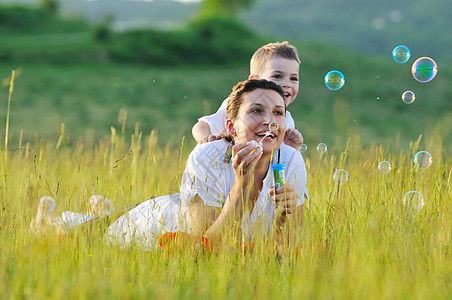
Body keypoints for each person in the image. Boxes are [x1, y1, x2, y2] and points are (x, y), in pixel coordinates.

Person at [32, 79, 308, 251]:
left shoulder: (291, 160)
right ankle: (51, 221)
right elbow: (205, 246)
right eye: (256, 110)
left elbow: (286, 251)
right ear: (231, 127)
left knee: (106, 220)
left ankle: (99, 210)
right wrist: (241, 187)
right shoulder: (207, 158)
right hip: (159, 229)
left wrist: (288, 215)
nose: (268, 121)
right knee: (89, 237)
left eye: (277, 113)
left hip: (203, 228)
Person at [192, 41, 304, 150]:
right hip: (220, 164)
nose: (287, 84)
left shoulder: (286, 119)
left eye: (293, 78)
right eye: (277, 76)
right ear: (255, 80)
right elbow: (201, 126)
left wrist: (290, 147)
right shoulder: (240, 106)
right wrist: (206, 139)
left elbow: (276, 154)